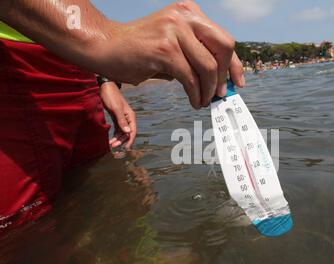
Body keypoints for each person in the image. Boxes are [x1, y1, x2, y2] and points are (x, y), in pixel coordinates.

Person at [0, 0, 245, 232]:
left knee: (93, 194)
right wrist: (99, 36)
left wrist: (104, 79)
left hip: (77, 63)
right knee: (22, 232)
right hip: (14, 65)